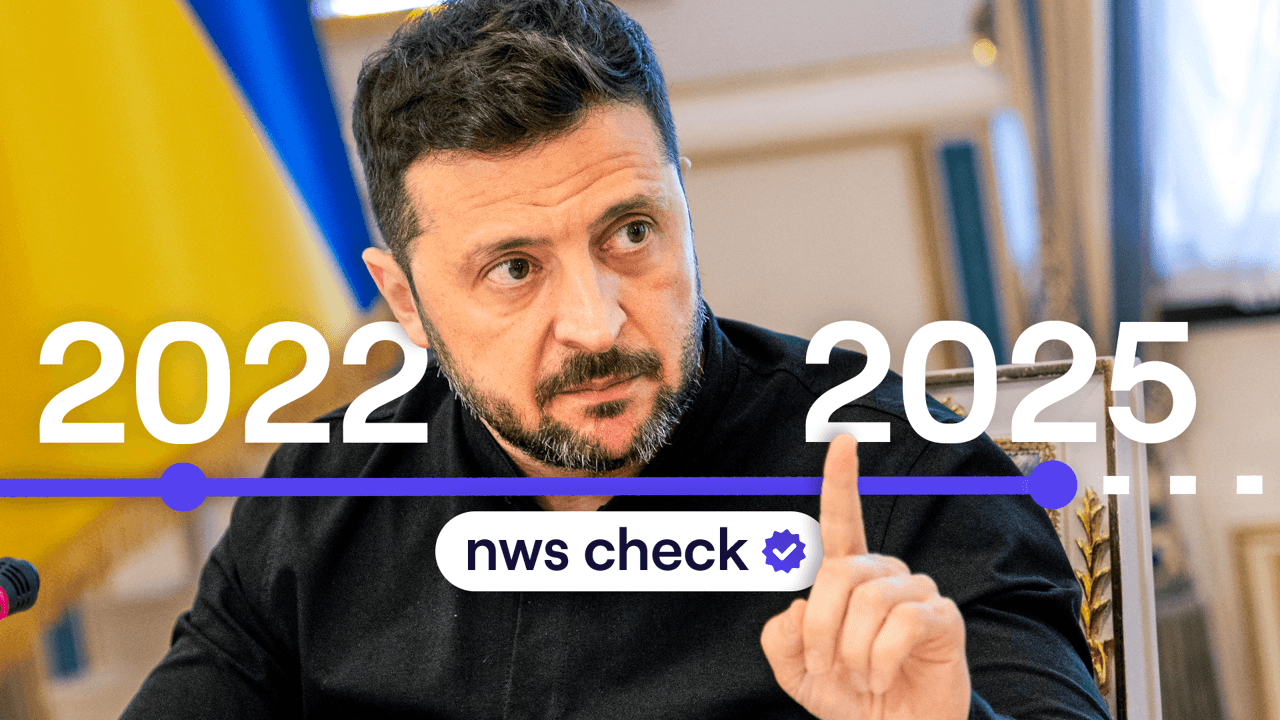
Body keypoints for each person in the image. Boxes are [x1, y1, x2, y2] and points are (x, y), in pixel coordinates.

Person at [122, 1, 1110, 718]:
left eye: (630, 233)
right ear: (406, 302)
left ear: (683, 204)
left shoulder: (910, 473)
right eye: (514, 269)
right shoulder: (320, 502)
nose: (596, 325)